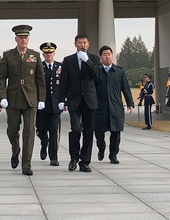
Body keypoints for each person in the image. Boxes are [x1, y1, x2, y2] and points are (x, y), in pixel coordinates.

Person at [0, 25, 46, 176]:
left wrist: (41, 99)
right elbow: (1, 78)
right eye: (21, 37)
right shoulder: (8, 55)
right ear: (16, 39)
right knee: (12, 130)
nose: (23, 40)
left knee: (29, 132)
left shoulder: (35, 55)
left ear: (28, 39)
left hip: (30, 99)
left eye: (26, 37)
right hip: (13, 98)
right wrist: (2, 97)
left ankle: (26, 164)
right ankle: (15, 150)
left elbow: (40, 80)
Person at [58, 34, 100, 172]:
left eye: (85, 43)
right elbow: (64, 81)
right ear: (75, 44)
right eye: (80, 43)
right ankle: (74, 157)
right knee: (76, 129)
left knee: (89, 132)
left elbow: (97, 75)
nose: (82, 45)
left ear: (88, 44)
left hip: (89, 100)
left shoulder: (93, 59)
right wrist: (61, 100)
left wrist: (87, 61)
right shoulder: (68, 60)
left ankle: (85, 162)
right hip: (74, 99)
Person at [94, 46, 135, 164]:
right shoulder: (96, 71)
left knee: (116, 132)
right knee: (99, 132)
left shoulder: (119, 71)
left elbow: (125, 88)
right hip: (100, 108)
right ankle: (101, 148)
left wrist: (130, 104)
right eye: (105, 54)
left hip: (115, 107)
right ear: (100, 57)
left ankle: (113, 155)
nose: (107, 56)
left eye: (109, 54)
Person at [38, 42, 63, 166]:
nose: (49, 55)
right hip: (42, 104)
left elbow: (65, 85)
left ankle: (53, 157)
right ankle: (44, 143)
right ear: (43, 54)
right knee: (41, 130)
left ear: (54, 53)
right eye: (46, 53)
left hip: (55, 105)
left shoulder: (60, 67)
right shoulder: (39, 67)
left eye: (51, 52)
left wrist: (64, 101)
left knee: (54, 131)